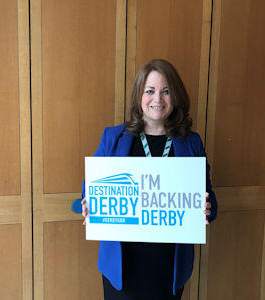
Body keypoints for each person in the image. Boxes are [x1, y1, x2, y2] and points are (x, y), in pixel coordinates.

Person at [80, 59, 217, 299]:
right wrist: (86, 204)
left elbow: (209, 201)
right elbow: (87, 192)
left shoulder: (191, 143)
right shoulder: (113, 138)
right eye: (150, 91)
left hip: (167, 269)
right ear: (139, 96)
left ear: (175, 96)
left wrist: (207, 208)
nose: (158, 99)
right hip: (122, 269)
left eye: (166, 91)